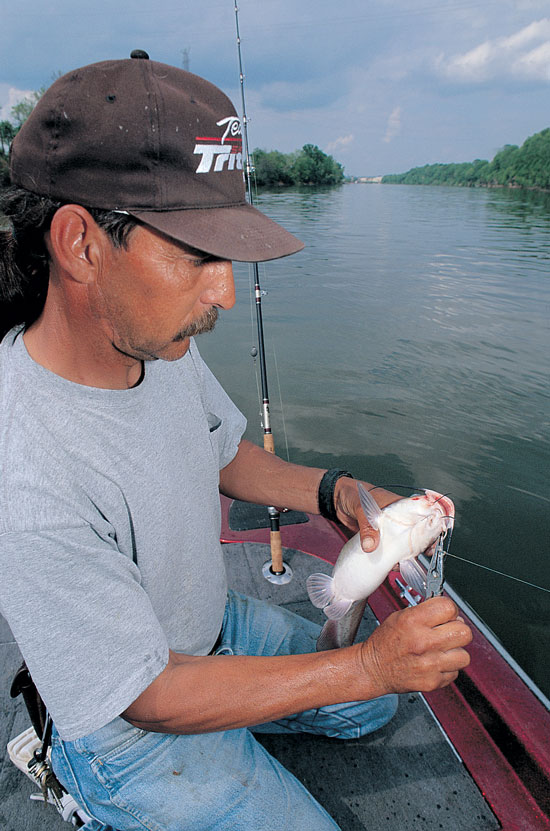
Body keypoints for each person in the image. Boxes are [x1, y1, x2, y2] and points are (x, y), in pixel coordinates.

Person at [0, 54, 472, 831]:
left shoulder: (156, 342)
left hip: (215, 628)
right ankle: (81, 777)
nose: (224, 290)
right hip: (132, 725)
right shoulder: (28, 469)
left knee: (376, 704)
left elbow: (224, 453)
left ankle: (246, 711)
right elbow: (150, 695)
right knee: (367, 682)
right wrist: (359, 663)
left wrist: (334, 491)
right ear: (81, 243)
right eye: (198, 256)